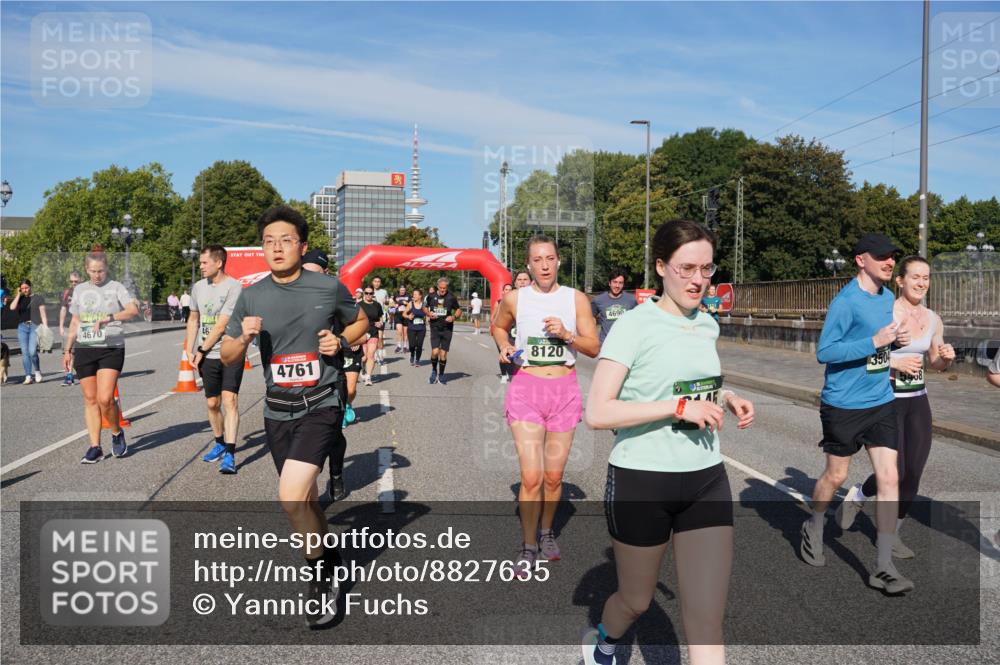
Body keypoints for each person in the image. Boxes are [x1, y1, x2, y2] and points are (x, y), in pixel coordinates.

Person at [582, 219, 755, 665]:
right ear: (661, 267)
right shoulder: (634, 326)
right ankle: (604, 641)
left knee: (705, 620)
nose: (699, 280)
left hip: (705, 482)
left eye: (707, 269)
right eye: (686, 268)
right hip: (642, 481)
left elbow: (692, 384)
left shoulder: (707, 324)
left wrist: (727, 396)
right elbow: (598, 412)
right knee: (635, 601)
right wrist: (677, 408)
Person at [220, 205, 367, 629]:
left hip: (320, 403)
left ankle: (319, 579)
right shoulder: (250, 295)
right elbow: (228, 354)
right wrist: (244, 336)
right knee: (302, 500)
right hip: (276, 409)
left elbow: (360, 323)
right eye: (269, 241)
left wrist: (338, 341)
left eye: (286, 240)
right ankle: (330, 557)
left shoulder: (326, 287)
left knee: (291, 494)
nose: (277, 247)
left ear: (302, 246)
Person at [802, 232, 914, 594]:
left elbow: (881, 347)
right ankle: (815, 523)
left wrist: (895, 344)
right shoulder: (845, 302)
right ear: (860, 260)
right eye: (881, 256)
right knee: (835, 476)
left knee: (889, 478)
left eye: (892, 256)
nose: (889, 262)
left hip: (881, 401)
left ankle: (883, 567)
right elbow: (826, 352)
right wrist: (876, 342)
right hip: (843, 404)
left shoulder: (888, 298)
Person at [492, 235, 600, 577]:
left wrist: (567, 335)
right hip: (527, 388)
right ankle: (528, 546)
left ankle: (547, 531)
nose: (544, 265)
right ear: (528, 265)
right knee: (532, 475)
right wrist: (505, 345)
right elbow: (497, 326)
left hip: (564, 390)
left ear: (558, 261)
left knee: (553, 478)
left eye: (549, 258)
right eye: (537, 259)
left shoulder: (576, 299)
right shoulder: (515, 299)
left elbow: (594, 347)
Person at [837, 256, 956, 558]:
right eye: (915, 277)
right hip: (884, 399)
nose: (921, 283)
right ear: (900, 280)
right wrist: (894, 361)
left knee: (913, 473)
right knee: (895, 471)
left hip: (917, 400)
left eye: (926, 278)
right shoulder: (884, 312)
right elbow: (861, 355)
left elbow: (936, 363)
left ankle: (893, 533)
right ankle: (860, 495)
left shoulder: (933, 318)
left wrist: (946, 356)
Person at [62, 247, 139, 463]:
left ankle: (116, 432)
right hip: (85, 347)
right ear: (87, 270)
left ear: (107, 269)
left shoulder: (116, 287)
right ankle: (95, 447)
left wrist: (110, 317)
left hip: (111, 347)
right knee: (90, 399)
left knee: (105, 399)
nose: (98, 275)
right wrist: (68, 349)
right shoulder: (79, 291)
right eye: (94, 271)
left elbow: (133, 310)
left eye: (101, 271)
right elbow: (75, 321)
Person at [302, 249, 355, 502]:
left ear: (325, 273)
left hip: (330, 374)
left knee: (333, 432)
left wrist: (342, 340)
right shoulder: (290, 294)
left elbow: (360, 326)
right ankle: (306, 483)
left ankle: (335, 474)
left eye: (316, 273)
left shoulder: (335, 293)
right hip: (296, 378)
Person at [186, 245, 245, 475]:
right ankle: (219, 442)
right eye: (200, 263)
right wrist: (188, 350)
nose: (200, 267)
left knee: (230, 401)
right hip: (206, 355)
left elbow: (221, 325)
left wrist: (200, 348)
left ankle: (230, 453)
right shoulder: (198, 288)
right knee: (212, 403)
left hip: (230, 351)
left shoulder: (234, 287)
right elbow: (193, 319)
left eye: (204, 263)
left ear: (219, 263)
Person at [9, 279, 48, 384]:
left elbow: (43, 314)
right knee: (25, 352)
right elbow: (12, 307)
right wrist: (18, 294)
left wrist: (45, 328)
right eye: (22, 288)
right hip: (22, 327)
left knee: (32, 351)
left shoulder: (38, 298)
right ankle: (28, 376)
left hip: (34, 326)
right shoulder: (20, 298)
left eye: (26, 287)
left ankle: (37, 372)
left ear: (31, 287)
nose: (25, 290)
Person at [426, 277, 462, 385]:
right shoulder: (431, 296)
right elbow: (424, 307)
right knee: (435, 352)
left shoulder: (451, 297)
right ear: (437, 287)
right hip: (435, 327)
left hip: (447, 328)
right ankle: (433, 371)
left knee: (443, 354)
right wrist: (429, 314)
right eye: (441, 288)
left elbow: (459, 310)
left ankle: (441, 374)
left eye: (445, 288)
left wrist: (453, 317)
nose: (443, 290)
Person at [591, 269, 637, 344]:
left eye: (620, 283)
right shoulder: (598, 300)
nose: (617, 286)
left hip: (626, 343)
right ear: (609, 283)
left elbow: (637, 319)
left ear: (623, 284)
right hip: (605, 344)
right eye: (615, 282)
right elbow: (590, 318)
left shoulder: (632, 300)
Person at [58, 271, 83, 386]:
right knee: (68, 351)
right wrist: (61, 325)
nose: (73, 283)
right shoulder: (67, 292)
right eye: (71, 281)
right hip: (70, 325)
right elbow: (63, 309)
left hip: (84, 324)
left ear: (81, 280)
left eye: (76, 281)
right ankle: (69, 376)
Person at [358, 285, 384, 387]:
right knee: (364, 357)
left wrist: (380, 323)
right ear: (364, 294)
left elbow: (381, 317)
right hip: (361, 332)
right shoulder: (359, 305)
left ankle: (368, 377)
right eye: (366, 293)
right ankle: (363, 368)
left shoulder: (377, 305)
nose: (368, 295)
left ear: (373, 294)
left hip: (373, 331)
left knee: (371, 355)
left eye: (370, 293)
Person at [492, 283, 516, 383]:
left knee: (513, 354)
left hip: (513, 332)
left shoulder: (515, 302)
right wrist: (497, 327)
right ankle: (503, 374)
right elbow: (493, 317)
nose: (508, 291)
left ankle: (513, 373)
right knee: (503, 352)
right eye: (506, 289)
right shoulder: (499, 302)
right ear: (503, 291)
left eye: (510, 289)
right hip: (502, 331)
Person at [402, 288, 428, 367]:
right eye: (413, 294)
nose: (414, 296)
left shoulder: (424, 304)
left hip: (421, 329)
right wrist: (408, 316)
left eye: (416, 294)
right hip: (412, 328)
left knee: (419, 345)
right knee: (412, 345)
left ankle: (417, 360)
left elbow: (428, 314)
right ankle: (412, 354)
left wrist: (428, 318)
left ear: (420, 296)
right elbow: (404, 314)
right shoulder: (411, 304)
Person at [371, 276, 388, 363]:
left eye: (378, 281)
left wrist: (387, 306)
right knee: (373, 338)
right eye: (375, 281)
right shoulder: (368, 291)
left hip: (381, 318)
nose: (377, 283)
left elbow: (386, 304)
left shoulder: (384, 292)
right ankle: (373, 355)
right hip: (371, 319)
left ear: (380, 283)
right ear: (372, 282)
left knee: (380, 338)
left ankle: (380, 357)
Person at [393, 285, 411, 353]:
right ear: (399, 290)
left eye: (403, 290)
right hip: (398, 315)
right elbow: (392, 303)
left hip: (406, 315)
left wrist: (405, 303)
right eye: (401, 290)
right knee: (399, 331)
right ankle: (399, 346)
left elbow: (410, 304)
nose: (402, 291)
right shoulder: (396, 295)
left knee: (405, 332)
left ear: (405, 290)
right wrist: (395, 305)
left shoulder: (408, 296)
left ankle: (405, 346)